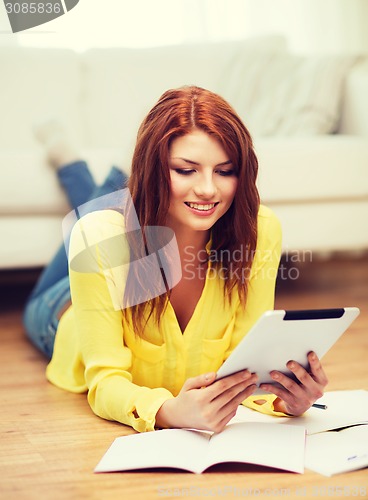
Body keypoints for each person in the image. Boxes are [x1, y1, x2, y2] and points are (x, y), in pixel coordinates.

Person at [24, 86, 328, 433]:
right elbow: (106, 382)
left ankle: (111, 172)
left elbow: (248, 366)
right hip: (59, 311)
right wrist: (167, 412)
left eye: (225, 171)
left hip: (113, 239)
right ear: (156, 169)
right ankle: (75, 163)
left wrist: (286, 398)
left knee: (97, 216)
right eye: (186, 170)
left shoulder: (260, 229)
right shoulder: (96, 235)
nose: (209, 189)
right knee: (88, 226)